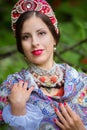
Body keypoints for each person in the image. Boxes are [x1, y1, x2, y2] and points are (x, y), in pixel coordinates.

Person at [0, 0, 87, 130]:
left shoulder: (82, 83)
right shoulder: (11, 87)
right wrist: (18, 110)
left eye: (41, 33)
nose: (35, 42)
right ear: (20, 45)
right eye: (25, 37)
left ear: (54, 36)